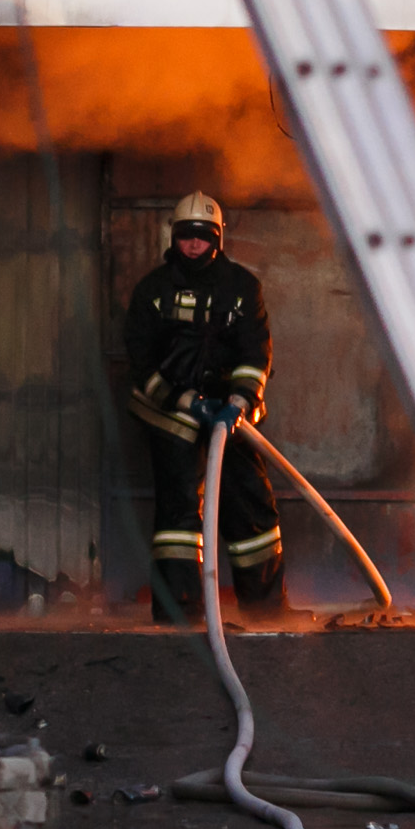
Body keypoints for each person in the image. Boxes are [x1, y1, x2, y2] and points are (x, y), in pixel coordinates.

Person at [123, 191, 285, 623]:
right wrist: (182, 400)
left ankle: (265, 609)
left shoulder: (242, 288)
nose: (194, 244)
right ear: (173, 237)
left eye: (203, 235)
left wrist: (239, 401)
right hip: (171, 416)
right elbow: (140, 362)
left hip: (230, 418)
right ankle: (181, 614)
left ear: (218, 238)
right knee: (179, 517)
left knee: (251, 505)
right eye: (186, 235)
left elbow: (256, 351)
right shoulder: (152, 293)